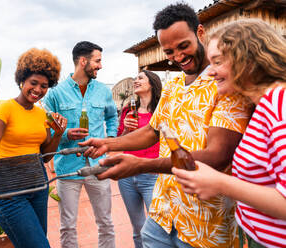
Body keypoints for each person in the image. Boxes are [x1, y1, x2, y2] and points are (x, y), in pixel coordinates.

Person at [81, 3, 253, 248]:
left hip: (204, 227)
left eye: (184, 46)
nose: (178, 57)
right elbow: (153, 131)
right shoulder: (172, 87)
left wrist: (141, 165)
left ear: (200, 33)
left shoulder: (225, 85)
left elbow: (217, 156)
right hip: (162, 215)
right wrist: (109, 143)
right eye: (169, 51)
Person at [172, 19, 286, 248]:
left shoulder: (279, 106)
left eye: (218, 62)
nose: (210, 72)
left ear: (248, 60)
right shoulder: (261, 105)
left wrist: (220, 183)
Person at [0, 48, 67, 248]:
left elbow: (45, 156)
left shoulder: (41, 114)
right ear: (22, 81)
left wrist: (59, 133)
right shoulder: (4, 108)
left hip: (38, 187)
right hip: (9, 193)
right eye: (33, 83)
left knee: (35, 242)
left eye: (44, 86)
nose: (38, 89)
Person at [43, 41, 118, 248]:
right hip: (67, 168)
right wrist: (66, 134)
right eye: (97, 61)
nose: (100, 66)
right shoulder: (56, 93)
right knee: (67, 225)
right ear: (83, 61)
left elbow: (112, 117)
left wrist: (109, 140)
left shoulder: (103, 91)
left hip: (98, 165)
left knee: (106, 222)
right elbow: (46, 128)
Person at [116, 70, 161, 248]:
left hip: (153, 175)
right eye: (135, 78)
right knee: (138, 228)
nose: (136, 80)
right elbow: (120, 140)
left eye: (140, 78)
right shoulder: (128, 110)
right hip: (127, 176)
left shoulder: (160, 110)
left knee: (158, 227)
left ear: (152, 83)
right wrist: (126, 129)